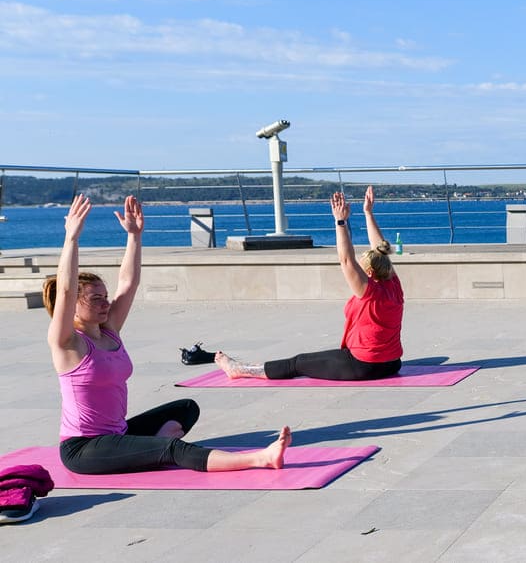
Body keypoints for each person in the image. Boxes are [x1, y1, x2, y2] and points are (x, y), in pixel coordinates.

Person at [46, 195, 290, 474]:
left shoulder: (109, 332)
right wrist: (72, 238)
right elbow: (65, 290)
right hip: (84, 448)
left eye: (105, 296)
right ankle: (260, 458)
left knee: (186, 408)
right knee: (172, 449)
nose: (105, 303)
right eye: (95, 299)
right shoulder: (68, 343)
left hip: (118, 433)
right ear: (73, 307)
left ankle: (148, 450)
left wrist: (134, 236)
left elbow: (128, 283)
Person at [216, 186, 403, 381]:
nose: (360, 271)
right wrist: (368, 213)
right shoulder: (394, 284)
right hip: (391, 363)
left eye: (363, 268)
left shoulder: (369, 291)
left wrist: (340, 222)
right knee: (313, 360)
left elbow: (346, 260)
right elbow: (381, 249)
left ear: (370, 272)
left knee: (298, 363)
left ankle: (239, 369)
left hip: (363, 365)